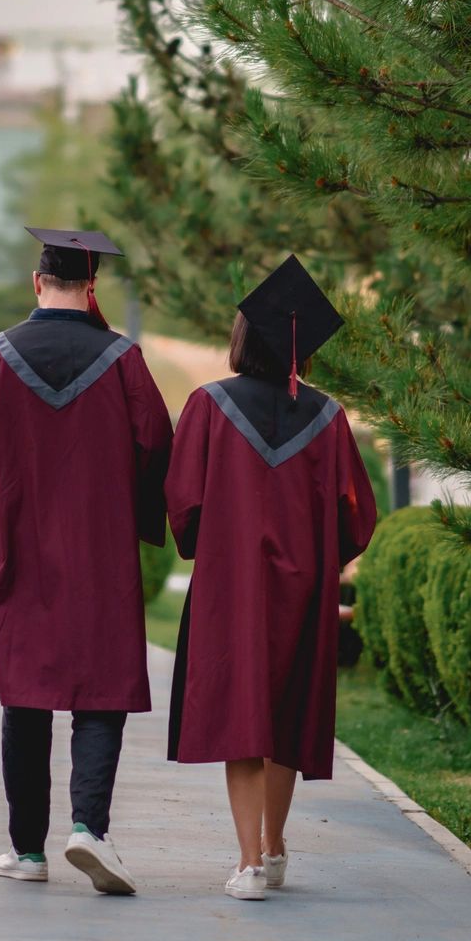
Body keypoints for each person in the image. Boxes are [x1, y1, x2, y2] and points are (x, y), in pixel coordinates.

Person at [0, 226, 174, 894]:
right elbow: (155, 446)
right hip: (99, 550)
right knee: (98, 691)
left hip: (22, 546)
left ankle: (27, 852)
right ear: (93, 287)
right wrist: (129, 518)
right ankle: (88, 830)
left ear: (36, 283)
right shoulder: (123, 360)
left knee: (25, 693)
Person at [164, 255, 378, 901]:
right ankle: (276, 847)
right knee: (283, 712)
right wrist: (321, 559)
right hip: (302, 589)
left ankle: (249, 862)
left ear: (240, 338)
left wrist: (207, 546)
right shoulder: (328, 417)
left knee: (242, 719)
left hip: (233, 588)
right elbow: (356, 516)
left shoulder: (207, 406)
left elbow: (184, 500)